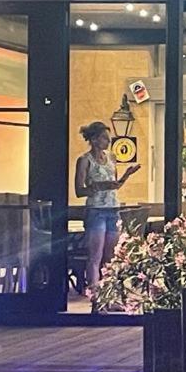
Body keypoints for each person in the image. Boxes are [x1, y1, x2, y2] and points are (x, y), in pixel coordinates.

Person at [74, 121, 140, 308]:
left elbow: (115, 185)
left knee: (110, 256)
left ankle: (111, 297)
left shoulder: (111, 158)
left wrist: (126, 176)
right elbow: (79, 190)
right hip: (96, 210)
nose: (108, 141)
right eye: (104, 138)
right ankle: (96, 297)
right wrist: (97, 187)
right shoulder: (85, 160)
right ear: (94, 140)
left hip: (113, 208)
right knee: (95, 255)